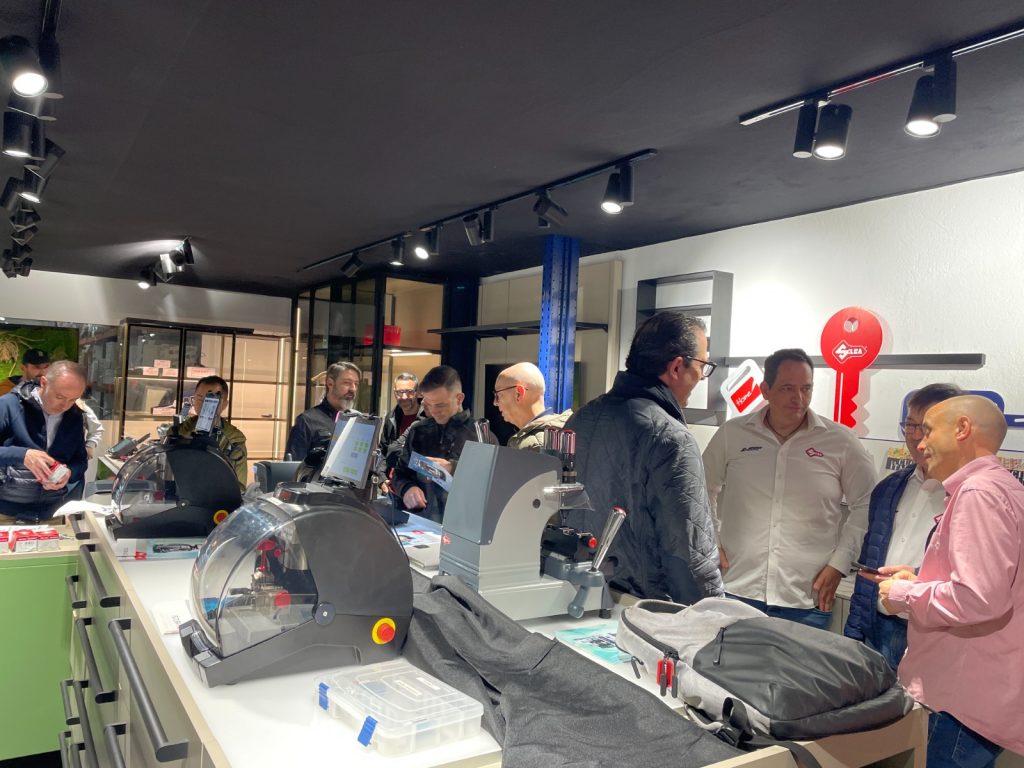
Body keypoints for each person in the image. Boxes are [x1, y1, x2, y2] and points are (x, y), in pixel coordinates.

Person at [879, 395, 1024, 766]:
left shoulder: (979, 493)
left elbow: (979, 599)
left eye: (928, 430)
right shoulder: (1003, 488)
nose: (920, 443)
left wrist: (904, 593)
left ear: (962, 429)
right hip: (978, 693)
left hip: (960, 700)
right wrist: (920, 580)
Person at [702, 348, 876, 629]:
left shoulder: (841, 442)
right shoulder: (732, 435)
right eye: (787, 388)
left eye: (806, 388)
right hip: (737, 589)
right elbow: (701, 490)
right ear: (765, 390)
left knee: (800, 661)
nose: (799, 398)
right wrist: (711, 541)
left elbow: (867, 503)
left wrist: (840, 563)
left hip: (807, 598)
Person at [565, 311, 723, 604]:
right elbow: (691, 558)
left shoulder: (581, 419)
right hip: (642, 609)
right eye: (702, 365)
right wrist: (715, 618)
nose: (702, 376)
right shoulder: (671, 438)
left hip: (575, 593)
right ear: (676, 367)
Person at [843, 383, 963, 669]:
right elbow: (869, 565)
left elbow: (973, 586)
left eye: (927, 427)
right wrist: (854, 632)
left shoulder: (973, 496)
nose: (917, 437)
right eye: (911, 425)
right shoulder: (889, 488)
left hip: (935, 637)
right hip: (876, 628)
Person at [391, 365, 497, 522]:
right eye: (428, 404)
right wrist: (407, 489)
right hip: (422, 524)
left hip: (464, 525)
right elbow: (400, 474)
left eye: (440, 405)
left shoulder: (481, 436)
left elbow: (493, 486)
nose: (434, 411)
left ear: (459, 399)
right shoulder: (418, 431)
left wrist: (454, 468)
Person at [0, 360, 88, 523]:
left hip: (53, 513)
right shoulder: (8, 405)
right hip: (5, 513)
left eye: (73, 399)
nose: (65, 405)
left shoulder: (74, 416)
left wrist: (69, 473)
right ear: (43, 382)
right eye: (59, 397)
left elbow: (80, 460)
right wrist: (22, 455)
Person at [176, 375, 248, 488]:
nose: (203, 404)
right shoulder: (180, 430)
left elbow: (239, 486)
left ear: (224, 404)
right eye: (199, 398)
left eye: (210, 399)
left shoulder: (234, 440)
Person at [285, 361, 360, 462]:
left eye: (356, 384)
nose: (353, 389)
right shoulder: (307, 421)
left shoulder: (357, 420)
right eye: (347, 383)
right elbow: (293, 465)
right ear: (330, 383)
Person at [493, 362, 571, 449]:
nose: (495, 403)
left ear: (518, 393)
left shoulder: (535, 445)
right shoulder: (560, 434)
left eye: (498, 395)